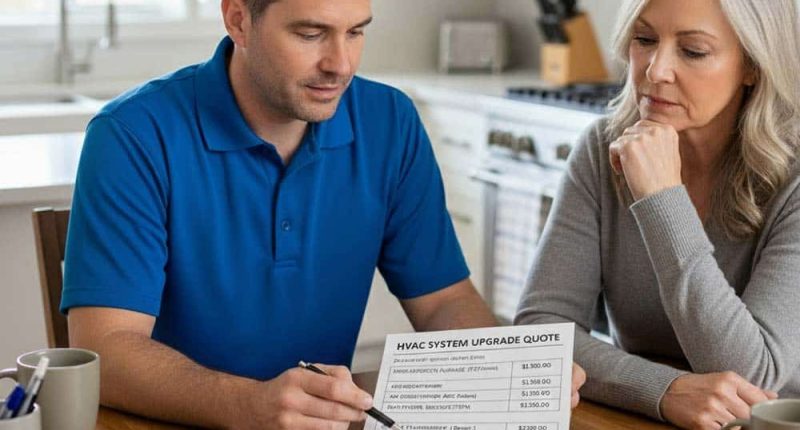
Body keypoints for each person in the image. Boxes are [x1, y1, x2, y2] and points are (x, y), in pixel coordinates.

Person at [61, 0, 584, 428]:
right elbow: (106, 351)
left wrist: (514, 374)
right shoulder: (132, 135)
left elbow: (444, 299)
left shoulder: (390, 121)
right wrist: (250, 405)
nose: (342, 64)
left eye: (356, 32)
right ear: (238, 18)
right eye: (311, 34)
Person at [514, 0, 800, 429]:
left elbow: (751, 376)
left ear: (753, 65)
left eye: (693, 51)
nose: (655, 70)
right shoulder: (601, 148)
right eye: (644, 40)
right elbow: (540, 333)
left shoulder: (792, 179)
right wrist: (661, 390)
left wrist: (662, 198)